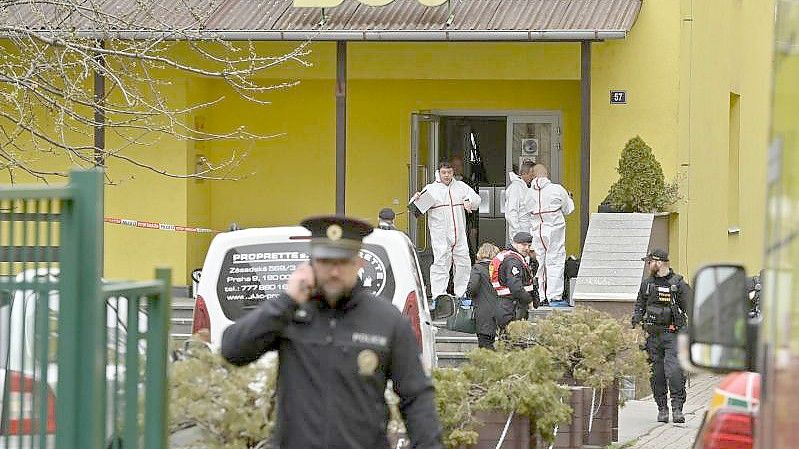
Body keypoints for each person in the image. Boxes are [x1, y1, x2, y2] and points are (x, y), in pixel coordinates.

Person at [221, 215, 443, 449]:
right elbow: (232, 350)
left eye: (343, 262)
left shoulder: (387, 320)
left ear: (359, 263)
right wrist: (286, 301)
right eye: (326, 261)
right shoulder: (288, 314)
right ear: (312, 263)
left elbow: (416, 397)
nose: (335, 272)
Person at [631, 248, 691, 424]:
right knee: (656, 374)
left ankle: (677, 408)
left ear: (659, 262)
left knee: (674, 372)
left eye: (650, 262)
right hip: (652, 336)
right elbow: (639, 305)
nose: (648, 265)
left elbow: (691, 307)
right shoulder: (647, 284)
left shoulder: (677, 284)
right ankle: (662, 408)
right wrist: (635, 325)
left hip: (673, 335)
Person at [411, 160, 481, 298]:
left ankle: (462, 295)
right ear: (439, 173)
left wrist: (468, 200)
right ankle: (439, 295)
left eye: (449, 172)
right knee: (441, 264)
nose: (447, 175)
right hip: (441, 235)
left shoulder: (461, 187)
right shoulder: (432, 190)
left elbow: (476, 200)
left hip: (459, 234)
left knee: (463, 263)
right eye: (444, 172)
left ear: (453, 172)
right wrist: (416, 199)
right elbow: (415, 211)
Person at [529, 163, 575, 306]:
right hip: (554, 231)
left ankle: (540, 295)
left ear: (533, 175)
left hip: (537, 231)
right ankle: (554, 297)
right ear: (546, 174)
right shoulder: (557, 189)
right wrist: (569, 197)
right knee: (555, 262)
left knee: (540, 264)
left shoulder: (528, 192)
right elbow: (569, 209)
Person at [491, 232, 540, 330]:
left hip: (508, 306)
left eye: (529, 245)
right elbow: (516, 287)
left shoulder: (513, 257)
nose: (527, 248)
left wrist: (533, 260)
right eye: (523, 245)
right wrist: (529, 300)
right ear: (515, 244)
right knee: (514, 341)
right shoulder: (513, 260)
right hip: (512, 307)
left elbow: (528, 277)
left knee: (509, 341)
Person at [466, 242, 501, 350]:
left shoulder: (478, 268)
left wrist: (469, 295)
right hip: (501, 311)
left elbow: (473, 287)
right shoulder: (500, 269)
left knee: (485, 345)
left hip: (484, 313)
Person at [505, 161, 535, 244]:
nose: (533, 177)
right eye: (532, 174)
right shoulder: (516, 187)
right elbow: (512, 212)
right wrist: (518, 232)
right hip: (520, 232)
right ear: (524, 173)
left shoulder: (525, 187)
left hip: (526, 231)